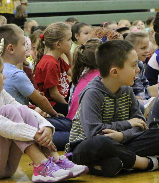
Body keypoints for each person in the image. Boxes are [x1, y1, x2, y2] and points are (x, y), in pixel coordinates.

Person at [0, 49, 80, 183]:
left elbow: (26, 111)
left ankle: (55, 159)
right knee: (8, 111)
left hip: (7, 167)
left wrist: (45, 126)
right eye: (1, 72)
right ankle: (40, 163)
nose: (4, 77)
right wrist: (33, 133)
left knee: (22, 110)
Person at [67, 39, 159, 176]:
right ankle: (145, 163)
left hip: (120, 144)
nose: (138, 70)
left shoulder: (127, 90)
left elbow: (141, 125)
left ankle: (113, 163)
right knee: (102, 142)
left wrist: (121, 136)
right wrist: (126, 124)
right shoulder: (92, 93)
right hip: (86, 148)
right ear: (114, 72)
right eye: (133, 65)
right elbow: (94, 133)